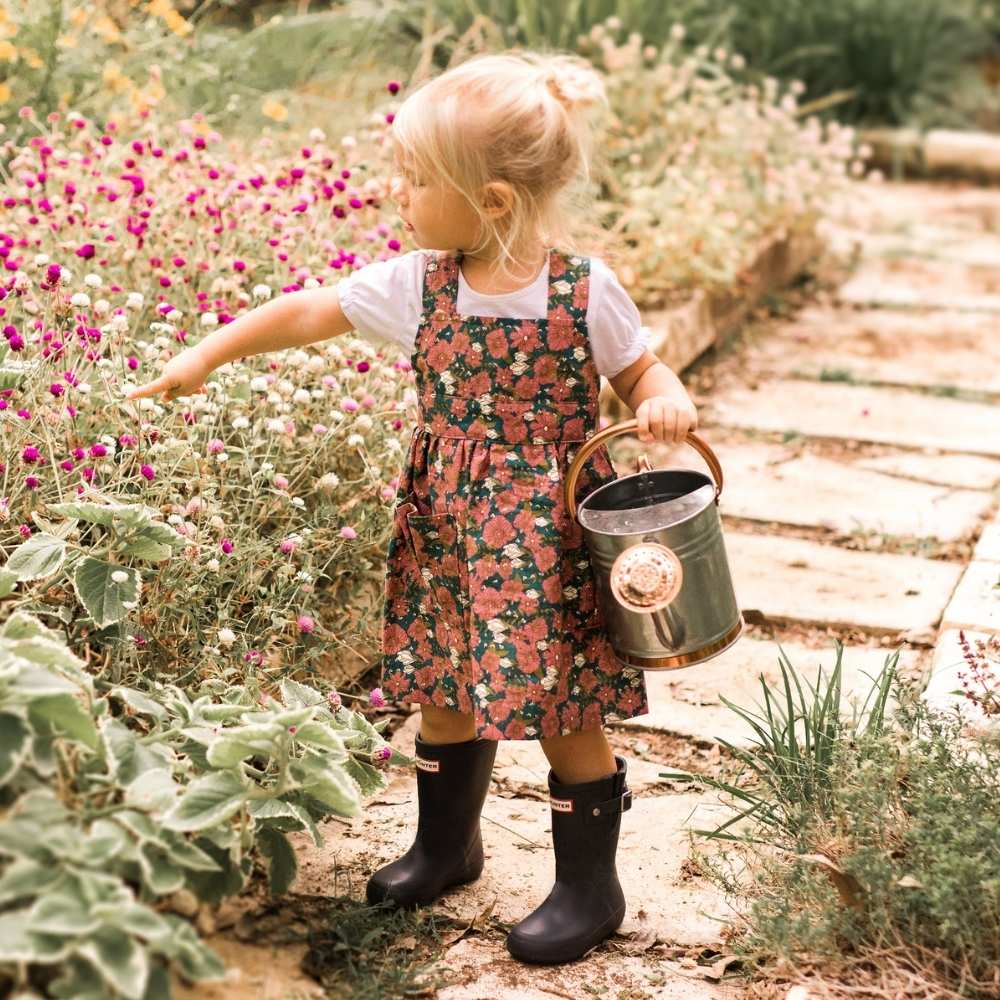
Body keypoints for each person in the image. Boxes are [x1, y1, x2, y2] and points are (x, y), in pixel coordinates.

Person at [126, 50, 699, 965]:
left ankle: (592, 888)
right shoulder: (419, 285)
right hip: (451, 530)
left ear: (494, 201)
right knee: (440, 687)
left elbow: (639, 369)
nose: (400, 194)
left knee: (564, 709)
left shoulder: (584, 290)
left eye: (418, 179)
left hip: (548, 537)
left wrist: (663, 399)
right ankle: (445, 847)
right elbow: (309, 310)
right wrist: (204, 356)